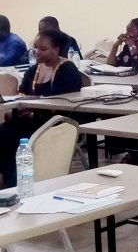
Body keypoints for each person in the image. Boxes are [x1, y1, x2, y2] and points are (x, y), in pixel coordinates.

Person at [0, 29, 82, 188]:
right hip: (29, 121)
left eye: (42, 49)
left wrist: (31, 105)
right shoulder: (34, 70)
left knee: (12, 139)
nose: (36, 52)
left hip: (53, 124)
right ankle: (5, 180)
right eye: (35, 47)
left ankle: (16, 184)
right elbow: (22, 95)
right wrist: (16, 110)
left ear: (56, 49)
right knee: (2, 133)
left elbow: (60, 103)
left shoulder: (67, 70)